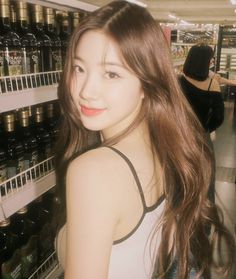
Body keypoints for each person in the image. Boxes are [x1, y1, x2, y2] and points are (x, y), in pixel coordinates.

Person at [55, 2, 235, 279]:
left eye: (111, 73)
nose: (86, 90)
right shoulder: (167, 144)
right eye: (79, 68)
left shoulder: (93, 171)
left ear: (147, 84)